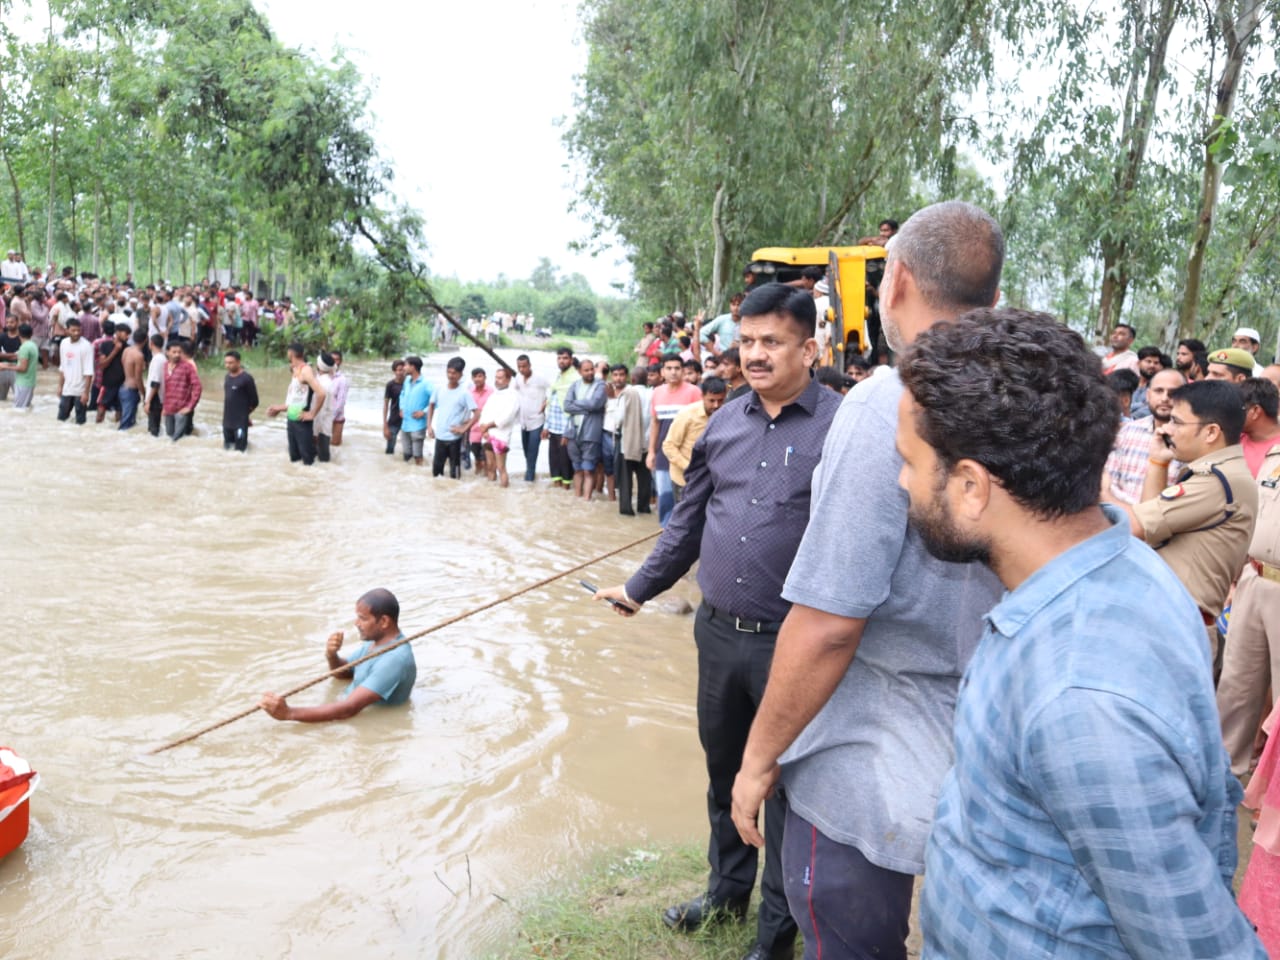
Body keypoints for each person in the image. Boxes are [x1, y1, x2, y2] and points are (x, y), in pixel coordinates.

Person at [893, 307, 1264, 959]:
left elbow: (1199, 942)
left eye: (910, 463)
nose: (902, 482)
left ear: (972, 486)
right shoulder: (1115, 568)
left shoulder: (1079, 694)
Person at [729, 201, 1005, 960]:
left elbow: (829, 622)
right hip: (991, 741)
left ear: (899, 282)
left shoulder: (888, 403)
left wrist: (757, 760)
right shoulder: (1022, 390)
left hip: (871, 752)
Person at [596, 283, 839, 960]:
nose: (755, 355)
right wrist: (639, 589)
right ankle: (726, 893)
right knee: (726, 770)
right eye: (748, 341)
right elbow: (687, 523)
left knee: (786, 786)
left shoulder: (840, 429)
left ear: (809, 349)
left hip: (796, 645)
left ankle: (776, 931)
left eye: (773, 342)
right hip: (718, 632)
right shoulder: (723, 423)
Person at [1112, 379, 1257, 665]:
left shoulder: (1217, 481)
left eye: (1177, 422)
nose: (1166, 429)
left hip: (1178, 625)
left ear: (1212, 432)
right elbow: (1151, 521)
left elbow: (1136, 526)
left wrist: (1083, 499)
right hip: (1174, 620)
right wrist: (1158, 463)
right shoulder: (1218, 474)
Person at [1215, 380, 1280, 777]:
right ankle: (1223, 772)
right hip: (1255, 578)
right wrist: (1236, 578)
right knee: (1237, 684)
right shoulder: (1275, 452)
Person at [259, 588, 416, 722]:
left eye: (363, 618)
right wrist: (332, 655)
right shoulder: (374, 642)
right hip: (345, 705)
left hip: (369, 720)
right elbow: (343, 674)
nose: (356, 623)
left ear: (383, 622)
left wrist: (289, 713)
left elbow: (349, 709)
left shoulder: (395, 660)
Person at [1102, 368, 1186, 503]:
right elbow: (1109, 483)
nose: (1165, 398)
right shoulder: (1127, 432)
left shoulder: (1192, 440)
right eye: (1158, 391)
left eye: (1173, 393)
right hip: (1119, 517)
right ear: (1148, 395)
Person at [648, 354, 702, 526]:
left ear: (683, 370)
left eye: (677, 368)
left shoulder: (694, 392)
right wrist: (651, 452)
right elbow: (655, 423)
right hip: (663, 456)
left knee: (686, 500)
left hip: (688, 457)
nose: (673, 372)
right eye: (669, 368)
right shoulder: (657, 392)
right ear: (662, 371)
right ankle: (666, 533)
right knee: (664, 498)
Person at [662, 376, 727, 493]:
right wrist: (689, 467)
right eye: (711, 400)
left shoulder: (727, 414)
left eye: (720, 400)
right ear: (702, 396)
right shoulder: (687, 415)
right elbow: (669, 446)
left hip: (711, 480)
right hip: (685, 480)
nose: (716, 405)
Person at [266, 343, 325, 465]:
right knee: (294, 459)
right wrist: (278, 408)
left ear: (291, 354)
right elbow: (294, 401)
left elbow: (321, 393)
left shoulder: (306, 371)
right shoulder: (296, 371)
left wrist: (312, 414)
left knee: (307, 460)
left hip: (302, 422)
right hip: (292, 420)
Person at [427, 356, 478, 479]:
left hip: (454, 439)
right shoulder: (439, 388)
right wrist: (429, 426)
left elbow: (477, 413)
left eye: (454, 373)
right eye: (449, 372)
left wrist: (464, 428)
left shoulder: (464, 393)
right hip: (440, 436)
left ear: (461, 375)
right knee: (436, 473)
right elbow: (431, 405)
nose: (451, 376)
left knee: (455, 475)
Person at [563, 358, 607, 500]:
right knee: (577, 469)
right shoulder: (575, 385)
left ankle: (586, 500)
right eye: (586, 370)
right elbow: (566, 406)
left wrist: (576, 405)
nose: (589, 372)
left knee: (588, 469)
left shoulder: (600, 385)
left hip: (591, 434)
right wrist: (586, 408)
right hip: (573, 433)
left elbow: (595, 404)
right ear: (579, 371)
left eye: (591, 369)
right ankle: (578, 499)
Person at [615, 365, 653, 516]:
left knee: (626, 480)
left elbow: (619, 418)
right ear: (647, 379)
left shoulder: (628, 393)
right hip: (647, 442)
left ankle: (626, 509)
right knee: (645, 479)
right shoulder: (653, 394)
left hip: (629, 443)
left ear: (633, 379)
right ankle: (643, 508)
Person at [476, 366, 520, 486]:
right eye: (496, 377)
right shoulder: (494, 395)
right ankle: (492, 496)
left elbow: (507, 417)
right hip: (487, 435)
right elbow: (484, 413)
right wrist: (483, 429)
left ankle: (504, 494)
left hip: (501, 436)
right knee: (490, 467)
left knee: (501, 468)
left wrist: (488, 426)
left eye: (500, 378)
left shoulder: (513, 396)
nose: (497, 380)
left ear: (508, 379)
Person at [543, 347, 579, 488]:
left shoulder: (575, 378)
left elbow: (575, 408)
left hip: (566, 428)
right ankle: (558, 496)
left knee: (566, 463)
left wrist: (568, 432)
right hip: (553, 427)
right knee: (554, 461)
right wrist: (546, 426)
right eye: (559, 358)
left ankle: (566, 491)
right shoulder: (559, 376)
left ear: (571, 359)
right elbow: (553, 402)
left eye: (565, 358)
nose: (562, 361)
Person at [512, 354, 548, 482]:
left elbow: (552, 390)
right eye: (519, 367)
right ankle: (531, 479)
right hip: (523, 421)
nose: (522, 369)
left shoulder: (540, 378)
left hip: (537, 421)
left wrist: (546, 402)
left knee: (532, 453)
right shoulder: (518, 378)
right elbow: (515, 392)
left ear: (530, 365)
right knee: (526, 453)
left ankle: (528, 481)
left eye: (524, 366)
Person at [56, 318, 94, 424]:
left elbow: (89, 372)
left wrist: (86, 393)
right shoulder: (63, 343)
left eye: (78, 330)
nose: (76, 333)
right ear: (66, 330)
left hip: (80, 392)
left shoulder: (86, 346)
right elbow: (62, 367)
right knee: (61, 420)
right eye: (73, 330)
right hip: (67, 389)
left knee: (80, 422)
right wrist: (60, 386)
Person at [221, 350, 259, 452]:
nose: (228, 365)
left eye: (231, 363)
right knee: (227, 449)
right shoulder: (227, 377)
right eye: (226, 363)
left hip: (240, 424)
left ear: (238, 362)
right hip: (227, 422)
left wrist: (244, 415)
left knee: (240, 451)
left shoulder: (246, 379)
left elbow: (255, 401)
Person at [398, 356, 432, 466]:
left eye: (406, 365)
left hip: (418, 425)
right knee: (406, 455)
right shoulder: (407, 381)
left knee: (418, 456)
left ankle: (420, 476)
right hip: (405, 424)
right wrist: (401, 407)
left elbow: (436, 401)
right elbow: (402, 395)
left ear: (413, 367)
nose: (404, 368)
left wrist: (424, 412)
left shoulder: (426, 383)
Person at [1, 322, 38, 409]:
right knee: (25, 409)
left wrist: (4, 367)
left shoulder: (24, 348)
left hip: (23, 383)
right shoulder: (32, 345)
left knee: (18, 410)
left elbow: (22, 368)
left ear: (18, 333)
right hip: (30, 382)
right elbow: (19, 360)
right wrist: (7, 364)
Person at [466, 367, 494, 473]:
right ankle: (478, 481)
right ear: (472, 378)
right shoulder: (469, 392)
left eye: (480, 376)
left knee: (486, 459)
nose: (477, 379)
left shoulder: (491, 392)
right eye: (475, 377)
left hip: (486, 430)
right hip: (473, 431)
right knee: (477, 459)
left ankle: (488, 479)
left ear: (485, 377)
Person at [118, 329, 146, 430]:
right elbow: (138, 378)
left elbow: (122, 364)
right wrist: (144, 393)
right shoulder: (139, 355)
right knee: (126, 424)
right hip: (131, 390)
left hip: (123, 387)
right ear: (145, 340)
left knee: (127, 420)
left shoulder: (126, 350)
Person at [312, 352, 336, 463]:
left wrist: (315, 432)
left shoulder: (322, 383)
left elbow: (321, 411)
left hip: (320, 428)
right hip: (324, 426)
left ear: (319, 366)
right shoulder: (327, 381)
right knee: (323, 459)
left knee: (322, 459)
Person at [1130, 345, 1163, 417]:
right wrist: (1142, 404)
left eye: (1156, 363)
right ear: (1138, 363)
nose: (1152, 365)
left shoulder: (1160, 387)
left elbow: (1151, 409)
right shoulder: (1128, 381)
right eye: (1148, 361)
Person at [382, 359, 407, 456]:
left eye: (403, 370)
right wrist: (385, 425)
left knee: (407, 449)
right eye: (398, 370)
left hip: (407, 419)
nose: (400, 372)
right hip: (394, 419)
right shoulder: (390, 385)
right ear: (394, 371)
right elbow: (385, 405)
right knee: (390, 449)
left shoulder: (409, 384)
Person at [328, 349, 348, 447]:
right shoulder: (322, 376)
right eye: (332, 359)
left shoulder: (342, 380)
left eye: (337, 359)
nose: (335, 362)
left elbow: (341, 402)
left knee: (335, 446)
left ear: (340, 361)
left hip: (337, 418)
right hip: (324, 416)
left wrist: (330, 418)